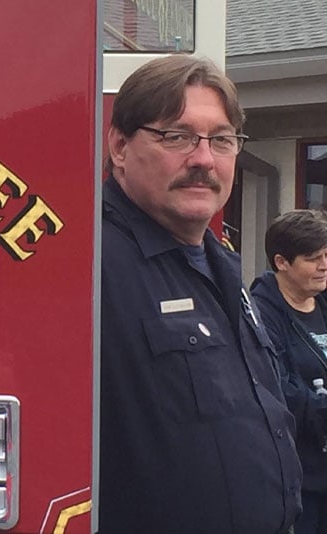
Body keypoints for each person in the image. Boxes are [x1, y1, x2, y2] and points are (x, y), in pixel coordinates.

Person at [99, 54, 302, 534]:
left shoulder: (221, 263)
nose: (204, 159)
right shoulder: (87, 264)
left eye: (222, 140)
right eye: (177, 135)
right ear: (120, 146)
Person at [251, 209, 327, 534]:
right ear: (282, 262)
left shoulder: (322, 301)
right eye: (313, 258)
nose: (324, 265)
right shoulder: (259, 315)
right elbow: (278, 390)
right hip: (301, 481)